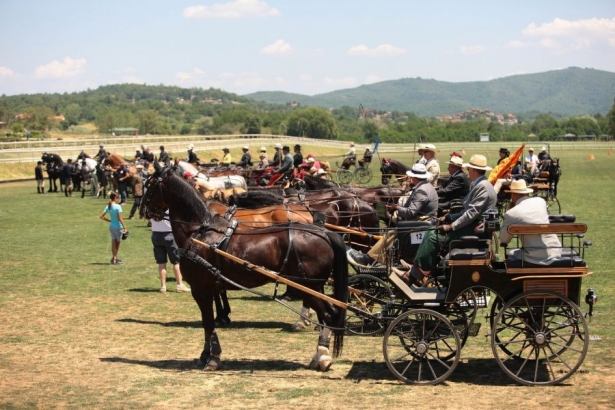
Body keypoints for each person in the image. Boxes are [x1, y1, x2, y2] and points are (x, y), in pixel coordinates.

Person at [396, 154, 497, 285]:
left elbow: (471, 214)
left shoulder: (482, 186)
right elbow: (466, 211)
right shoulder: (481, 184)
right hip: (473, 225)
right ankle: (418, 269)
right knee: (432, 230)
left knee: (433, 236)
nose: (467, 171)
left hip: (473, 228)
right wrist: (449, 217)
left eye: (469, 169)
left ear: (473, 170)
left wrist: (451, 226)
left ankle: (414, 275)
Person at [348, 163, 438, 267]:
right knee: (391, 231)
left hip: (421, 224)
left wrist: (397, 208)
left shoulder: (422, 190)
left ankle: (369, 258)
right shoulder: (426, 186)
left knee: (392, 232)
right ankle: (377, 257)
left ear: (414, 177)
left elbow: (411, 212)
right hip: (423, 222)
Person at [499, 179, 561, 264]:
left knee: (509, 253)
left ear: (512, 194)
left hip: (533, 256)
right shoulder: (540, 201)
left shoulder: (511, 213)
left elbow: (503, 240)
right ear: (527, 192)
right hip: (555, 250)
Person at [151, 211, 190, 293]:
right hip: (169, 235)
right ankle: (179, 285)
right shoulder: (169, 209)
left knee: (161, 263)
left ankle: (163, 286)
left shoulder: (153, 208)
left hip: (156, 235)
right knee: (176, 261)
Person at [99, 192, 127, 265]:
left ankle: (114, 258)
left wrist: (109, 220)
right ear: (115, 198)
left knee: (113, 243)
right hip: (118, 227)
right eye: (118, 198)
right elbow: (120, 219)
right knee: (117, 243)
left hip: (112, 226)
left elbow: (101, 216)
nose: (119, 199)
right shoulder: (118, 206)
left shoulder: (108, 206)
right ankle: (115, 258)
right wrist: (125, 227)